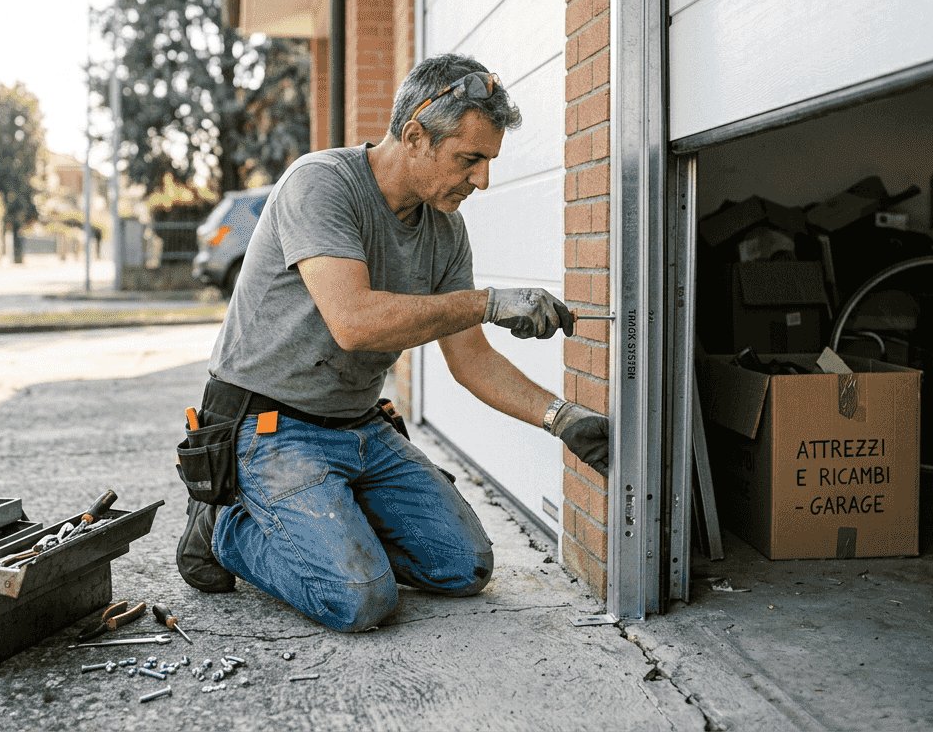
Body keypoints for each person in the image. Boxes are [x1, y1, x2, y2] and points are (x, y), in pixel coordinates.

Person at [176, 53, 610, 632]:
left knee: (465, 568)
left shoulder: (445, 229)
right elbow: (354, 322)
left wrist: (561, 417)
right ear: (414, 136)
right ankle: (228, 525)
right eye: (469, 159)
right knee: (360, 599)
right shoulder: (321, 184)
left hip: (358, 427)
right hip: (269, 426)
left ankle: (327, 521)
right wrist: (487, 301)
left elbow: (471, 358)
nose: (482, 180)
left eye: (487, 161)